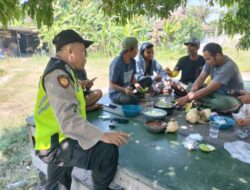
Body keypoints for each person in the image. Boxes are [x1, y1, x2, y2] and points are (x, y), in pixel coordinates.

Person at [34, 29, 129, 190]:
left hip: (52, 140)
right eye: (83, 51)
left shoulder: (63, 70)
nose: (86, 56)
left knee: (58, 185)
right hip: (57, 144)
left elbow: (71, 103)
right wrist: (102, 135)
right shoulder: (59, 75)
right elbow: (69, 121)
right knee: (107, 151)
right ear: (70, 51)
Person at [176, 42, 244, 113]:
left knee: (220, 104)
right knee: (190, 86)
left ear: (217, 56)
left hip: (229, 97)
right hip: (215, 93)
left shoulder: (229, 67)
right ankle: (201, 102)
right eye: (205, 59)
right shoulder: (210, 62)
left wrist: (187, 98)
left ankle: (199, 102)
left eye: (208, 59)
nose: (206, 62)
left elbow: (208, 89)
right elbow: (201, 78)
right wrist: (192, 91)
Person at [109, 37, 144, 105]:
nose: (137, 50)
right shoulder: (116, 63)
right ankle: (135, 97)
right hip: (116, 93)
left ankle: (136, 95)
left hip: (128, 89)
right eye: (136, 48)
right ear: (130, 50)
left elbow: (132, 78)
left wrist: (136, 84)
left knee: (148, 80)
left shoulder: (133, 61)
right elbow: (112, 85)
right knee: (132, 100)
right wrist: (124, 90)